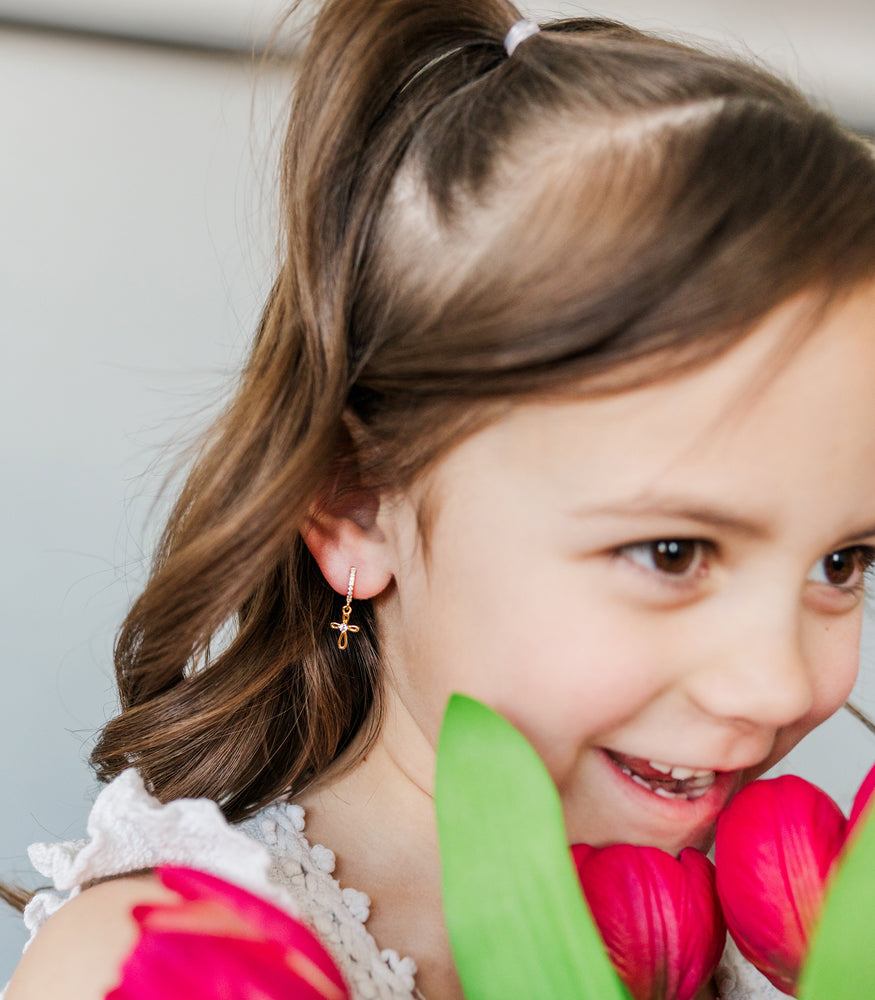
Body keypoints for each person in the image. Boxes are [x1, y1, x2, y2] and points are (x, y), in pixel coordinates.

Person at [4, 0, 875, 997]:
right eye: (670, 552)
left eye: (841, 561)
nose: (772, 685)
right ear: (357, 508)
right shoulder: (170, 966)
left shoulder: (759, 942)